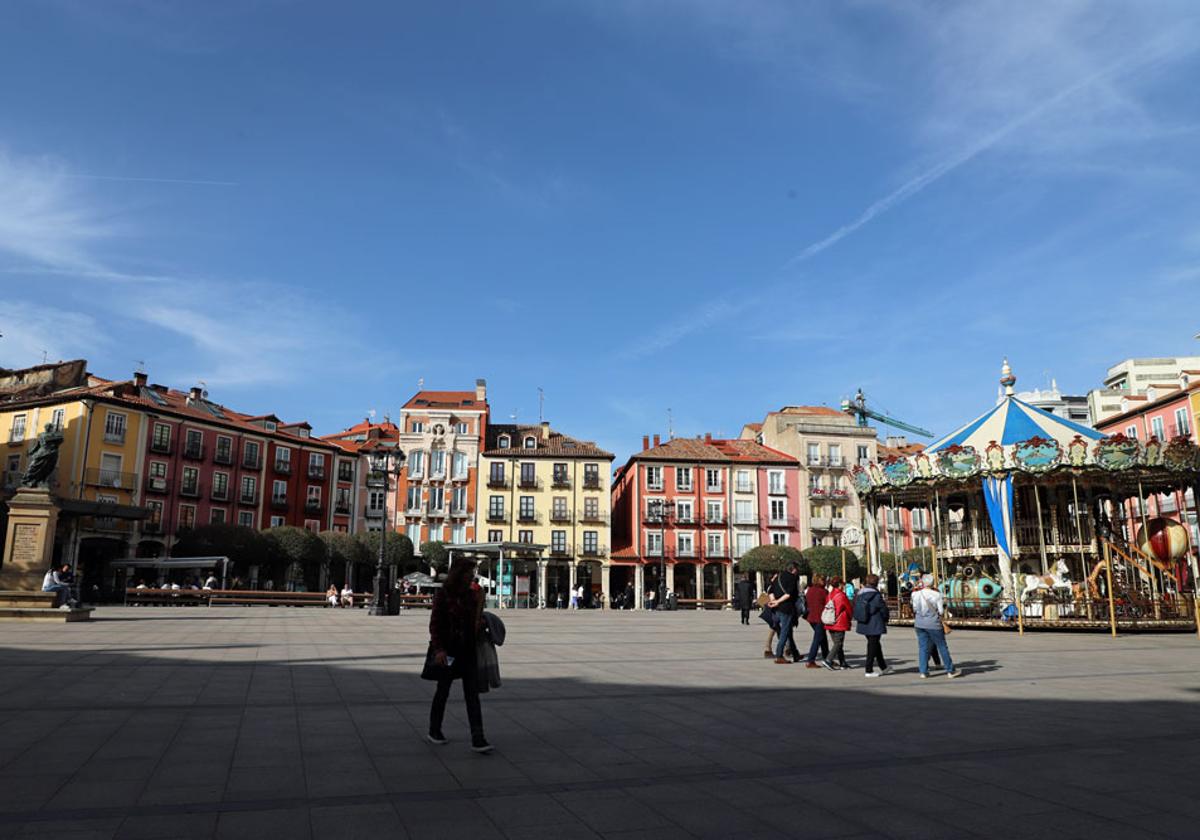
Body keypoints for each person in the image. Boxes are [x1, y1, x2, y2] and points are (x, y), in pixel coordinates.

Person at [427, 558, 492, 753]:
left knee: (472, 694)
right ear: (459, 574)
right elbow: (435, 624)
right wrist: (439, 649)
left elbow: (475, 620)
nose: (472, 577)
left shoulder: (472, 595)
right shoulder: (444, 595)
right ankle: (434, 730)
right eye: (469, 573)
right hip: (449, 650)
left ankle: (478, 737)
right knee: (443, 690)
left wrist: (480, 622)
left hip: (468, 649)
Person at [912, 574, 960, 679]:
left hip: (919, 623)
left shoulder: (915, 594)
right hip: (933, 623)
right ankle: (950, 670)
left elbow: (915, 608)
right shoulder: (937, 595)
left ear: (923, 583)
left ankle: (923, 671)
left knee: (923, 647)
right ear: (933, 583)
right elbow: (941, 611)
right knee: (942, 646)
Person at [854, 573, 892, 678]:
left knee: (875, 644)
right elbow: (882, 608)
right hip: (874, 622)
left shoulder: (860, 593)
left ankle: (883, 666)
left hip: (863, 622)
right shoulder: (875, 594)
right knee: (872, 646)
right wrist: (886, 618)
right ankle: (868, 669)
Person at [767, 562, 801, 664]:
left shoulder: (778, 576)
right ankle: (779, 655)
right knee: (785, 632)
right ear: (794, 569)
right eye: (797, 569)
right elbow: (788, 594)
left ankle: (795, 654)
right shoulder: (792, 578)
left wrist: (773, 601)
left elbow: (770, 591)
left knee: (788, 632)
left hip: (776, 609)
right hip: (786, 608)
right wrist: (778, 602)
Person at [821, 576, 852, 670]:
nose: (844, 586)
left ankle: (842, 662)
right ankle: (828, 660)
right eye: (842, 584)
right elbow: (849, 609)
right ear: (839, 585)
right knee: (838, 643)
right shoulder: (842, 595)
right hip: (839, 622)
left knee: (837, 643)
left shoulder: (829, 595)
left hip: (829, 621)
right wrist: (850, 618)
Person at [803, 574, 830, 669]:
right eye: (823, 579)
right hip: (820, 618)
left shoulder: (810, 590)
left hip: (811, 618)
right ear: (818, 580)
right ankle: (810, 660)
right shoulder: (823, 591)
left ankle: (827, 658)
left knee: (823, 638)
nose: (825, 581)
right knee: (817, 639)